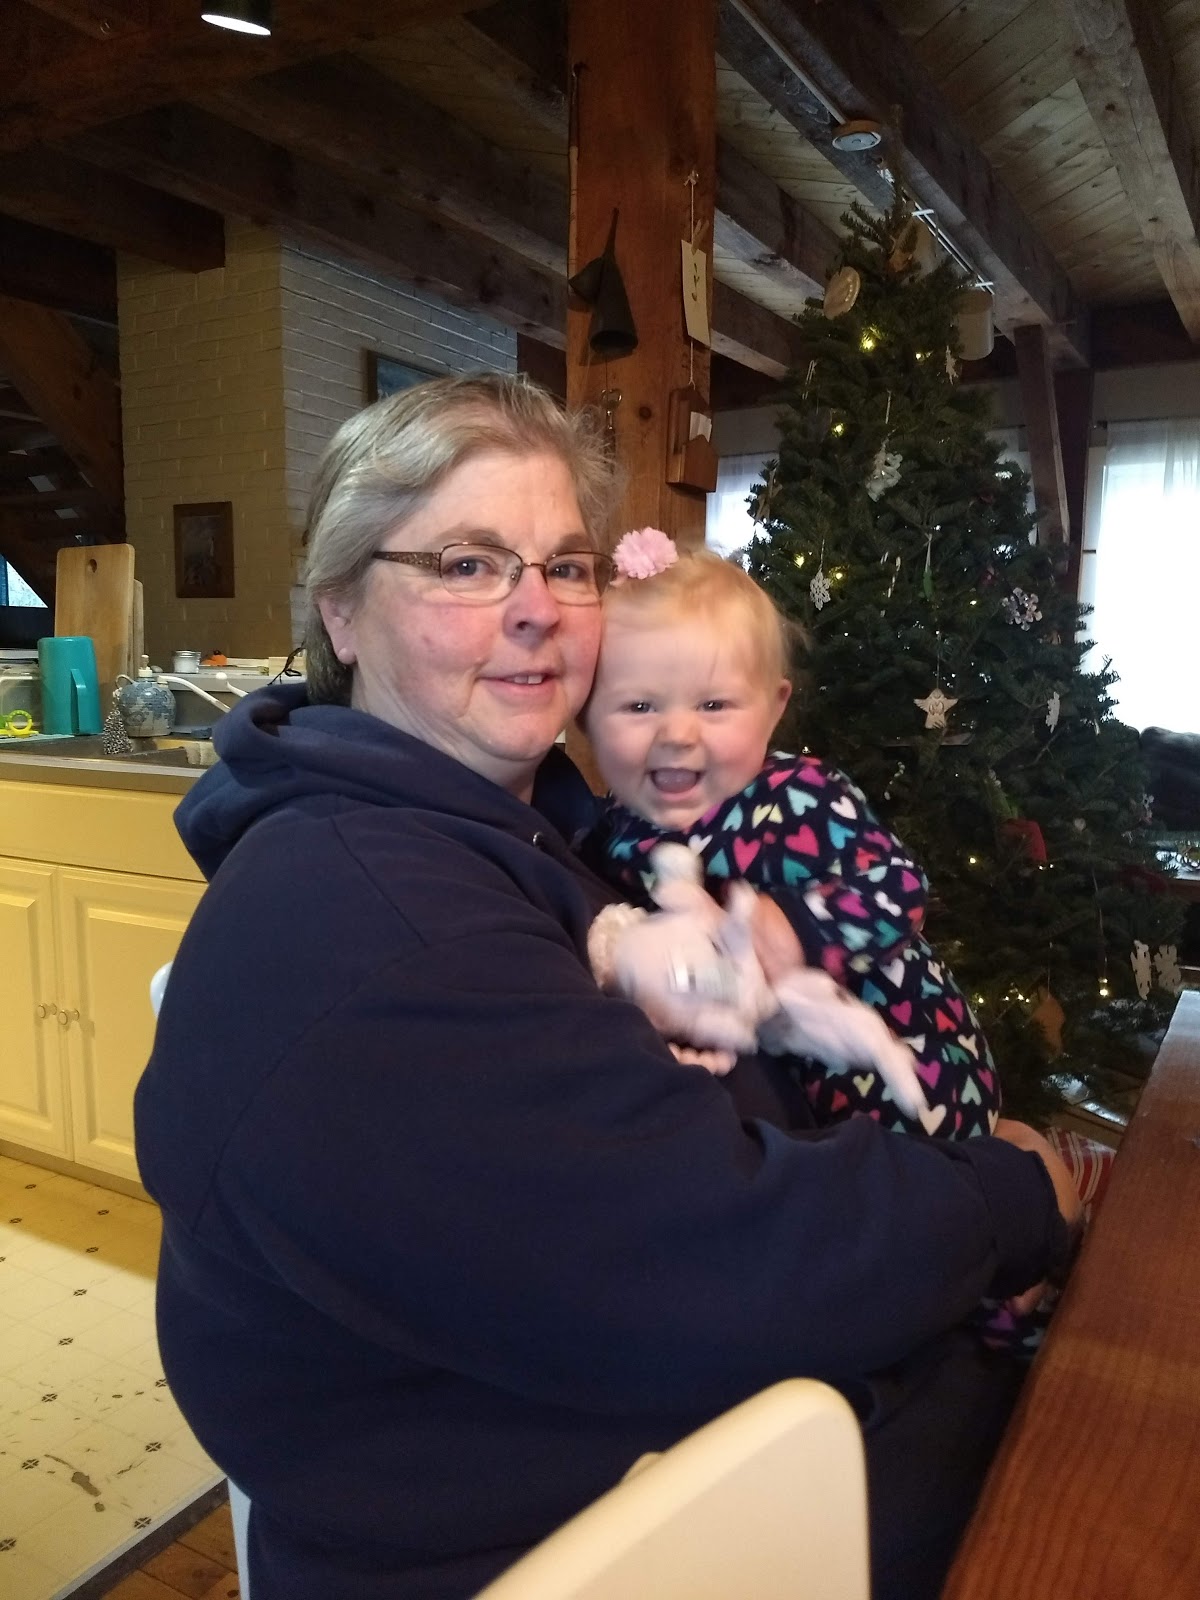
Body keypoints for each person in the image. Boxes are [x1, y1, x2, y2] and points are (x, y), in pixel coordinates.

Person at [135, 374, 1080, 1600]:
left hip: (737, 1437)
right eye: (467, 564)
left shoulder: (536, 833)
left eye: (567, 566)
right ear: (343, 612)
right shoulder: (377, 920)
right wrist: (1007, 1194)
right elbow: (720, 1265)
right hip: (616, 1540)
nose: (536, 609)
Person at [581, 532, 999, 1139]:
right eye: (639, 707)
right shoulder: (609, 832)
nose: (677, 734)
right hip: (783, 1097)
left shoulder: (799, 796)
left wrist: (794, 928)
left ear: (773, 708)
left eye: (714, 705)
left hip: (913, 1064)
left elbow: (898, 888)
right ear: (586, 715)